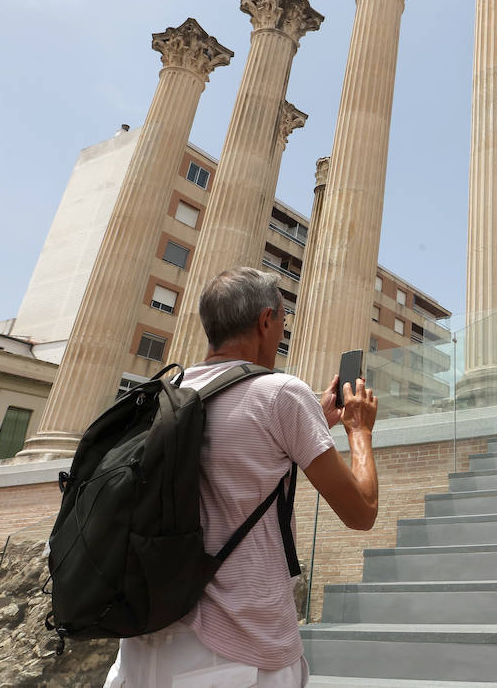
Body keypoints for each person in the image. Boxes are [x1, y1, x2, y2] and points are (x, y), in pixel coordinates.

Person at [103, 267, 378, 688]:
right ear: (265, 321)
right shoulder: (281, 393)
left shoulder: (166, 393)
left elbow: (236, 455)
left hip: (140, 645)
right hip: (237, 653)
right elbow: (361, 512)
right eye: (282, 324)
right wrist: (358, 431)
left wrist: (313, 424)